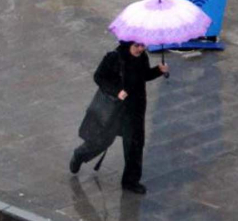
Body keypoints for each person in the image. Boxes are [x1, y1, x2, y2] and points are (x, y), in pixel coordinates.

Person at [70, 41, 168, 193]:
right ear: (129, 43)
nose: (141, 49)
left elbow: (144, 75)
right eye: (137, 46)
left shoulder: (142, 57)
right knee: (101, 141)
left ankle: (130, 181)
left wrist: (158, 71)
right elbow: (99, 77)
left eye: (143, 46)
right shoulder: (114, 57)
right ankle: (80, 155)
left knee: (135, 145)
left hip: (134, 110)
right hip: (115, 110)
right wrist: (117, 91)